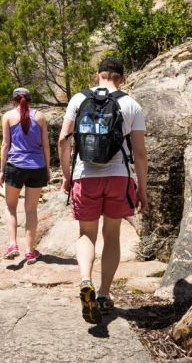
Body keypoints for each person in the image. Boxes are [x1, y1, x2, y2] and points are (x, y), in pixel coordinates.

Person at [58, 57, 148, 324]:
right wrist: (141, 188)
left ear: (98, 75)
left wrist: (66, 175)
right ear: (122, 78)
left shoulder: (78, 99)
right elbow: (140, 153)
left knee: (86, 234)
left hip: (85, 176)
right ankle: (105, 294)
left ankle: (86, 279)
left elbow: (63, 140)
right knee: (112, 234)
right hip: (118, 177)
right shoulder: (130, 104)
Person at [0, 87, 51, 264]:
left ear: (14, 100)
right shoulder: (41, 117)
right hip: (37, 167)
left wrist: (1, 171)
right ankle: (29, 251)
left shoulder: (8, 117)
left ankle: (13, 245)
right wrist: (48, 168)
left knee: (11, 207)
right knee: (31, 209)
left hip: (15, 166)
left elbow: (6, 145)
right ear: (29, 100)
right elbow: (45, 146)